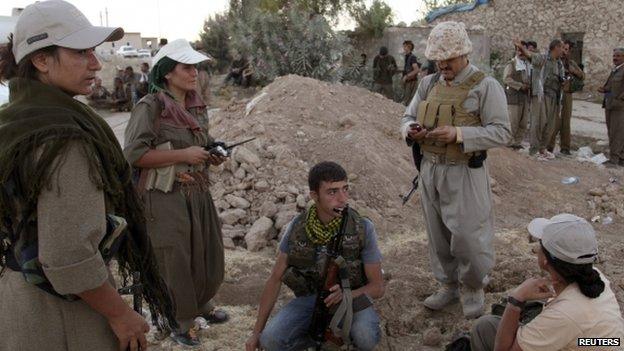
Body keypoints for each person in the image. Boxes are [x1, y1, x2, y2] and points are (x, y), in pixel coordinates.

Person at [0, 1, 177, 350]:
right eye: (81, 52)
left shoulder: (14, 122)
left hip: (18, 301)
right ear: (41, 60)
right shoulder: (63, 137)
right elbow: (68, 256)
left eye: (93, 51)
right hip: (64, 315)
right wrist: (119, 314)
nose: (95, 63)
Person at [399, 21, 511, 319]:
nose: (443, 64)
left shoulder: (486, 86)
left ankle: (473, 287)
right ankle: (447, 285)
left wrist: (459, 134)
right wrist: (412, 130)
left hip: (464, 172)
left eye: (449, 58)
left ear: (464, 54)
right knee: (438, 235)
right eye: (439, 58)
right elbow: (408, 116)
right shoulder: (428, 84)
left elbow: (502, 132)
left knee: (469, 237)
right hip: (430, 170)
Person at [123, 38, 228, 348]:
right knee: (175, 258)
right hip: (164, 197)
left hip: (197, 192)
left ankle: (202, 304)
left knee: (206, 252)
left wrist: (212, 153)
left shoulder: (195, 105)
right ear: (168, 73)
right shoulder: (150, 106)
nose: (194, 72)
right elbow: (133, 154)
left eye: (195, 66)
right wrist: (184, 155)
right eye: (186, 67)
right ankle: (179, 320)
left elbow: (201, 144)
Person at [245, 161, 385, 351]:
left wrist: (346, 295)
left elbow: (377, 287)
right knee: (270, 340)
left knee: (365, 337)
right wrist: (256, 333)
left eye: (345, 189)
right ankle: (321, 341)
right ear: (314, 196)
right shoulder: (298, 226)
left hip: (352, 299)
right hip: (312, 298)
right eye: (332, 192)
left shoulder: (362, 227)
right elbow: (275, 278)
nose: (343, 199)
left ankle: (342, 339)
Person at [471, 214, 624, 351]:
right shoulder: (596, 276)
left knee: (482, 329)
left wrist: (516, 300)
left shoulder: (564, 315)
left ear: (545, 261)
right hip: (608, 342)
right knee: (487, 327)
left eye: (540, 244)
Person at [515, 39, 565, 158]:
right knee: (539, 123)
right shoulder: (542, 58)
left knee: (550, 125)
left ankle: (543, 148)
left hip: (555, 97)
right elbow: (530, 55)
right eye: (562, 48)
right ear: (556, 47)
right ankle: (534, 149)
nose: (563, 51)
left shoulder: (559, 63)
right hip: (541, 96)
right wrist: (521, 48)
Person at [549, 40, 585, 155]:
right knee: (554, 121)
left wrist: (572, 71)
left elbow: (582, 75)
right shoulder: (554, 61)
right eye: (562, 48)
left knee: (566, 121)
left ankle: (565, 147)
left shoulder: (571, 63)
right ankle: (549, 146)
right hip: (555, 93)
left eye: (566, 49)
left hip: (567, 94)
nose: (564, 51)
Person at [523, 41, 553, 159]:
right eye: (528, 49)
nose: (530, 52)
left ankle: (540, 147)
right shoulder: (523, 62)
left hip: (540, 94)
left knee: (542, 121)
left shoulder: (540, 60)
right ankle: (533, 148)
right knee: (534, 121)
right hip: (531, 94)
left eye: (532, 50)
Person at [503, 41, 531, 150]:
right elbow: (506, 79)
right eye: (519, 50)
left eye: (523, 50)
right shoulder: (512, 64)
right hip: (514, 97)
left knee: (523, 123)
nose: (521, 52)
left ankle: (517, 142)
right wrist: (520, 85)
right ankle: (510, 142)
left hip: (524, 97)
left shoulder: (527, 64)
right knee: (513, 122)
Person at [598, 48, 624, 167]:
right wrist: (604, 90)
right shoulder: (615, 70)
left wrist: (619, 99)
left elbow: (619, 93)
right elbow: (611, 89)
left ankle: (614, 159)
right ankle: (620, 158)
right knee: (612, 132)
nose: (615, 58)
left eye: (618, 56)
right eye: (614, 55)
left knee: (616, 133)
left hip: (618, 107)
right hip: (609, 105)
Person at [402, 40, 421, 106]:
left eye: (405, 46)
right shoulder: (407, 56)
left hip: (412, 81)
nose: (403, 48)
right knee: (406, 99)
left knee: (409, 100)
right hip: (408, 81)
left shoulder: (412, 57)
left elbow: (416, 70)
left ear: (409, 47)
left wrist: (406, 76)